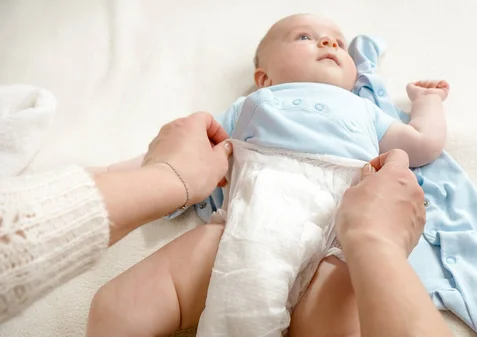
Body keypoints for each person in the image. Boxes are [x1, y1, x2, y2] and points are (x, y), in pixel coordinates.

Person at [86, 13, 452, 337]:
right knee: (114, 306)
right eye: (304, 37)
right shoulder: (254, 104)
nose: (328, 42)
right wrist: (105, 176)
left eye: (339, 43)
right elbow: (184, 155)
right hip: (249, 220)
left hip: (339, 235)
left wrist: (427, 103)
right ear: (264, 76)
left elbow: (424, 142)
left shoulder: (364, 110)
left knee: (343, 320)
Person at [0, 112, 232, 323]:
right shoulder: (248, 112)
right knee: (113, 308)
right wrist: (153, 175)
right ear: (262, 79)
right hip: (238, 237)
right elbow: (196, 163)